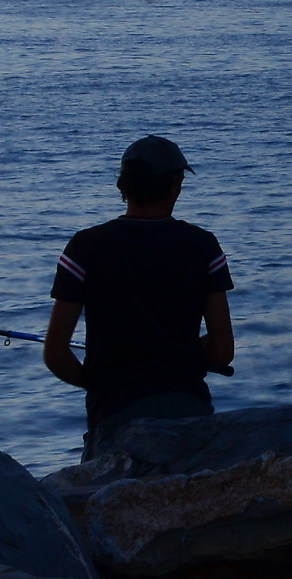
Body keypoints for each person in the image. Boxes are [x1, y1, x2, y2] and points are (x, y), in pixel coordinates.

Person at [43, 135, 235, 454]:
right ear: (174, 185)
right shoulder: (203, 246)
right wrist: (183, 356)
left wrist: (103, 382)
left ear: (124, 186)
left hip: (112, 417)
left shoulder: (85, 247)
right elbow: (222, 350)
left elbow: (56, 354)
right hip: (189, 414)